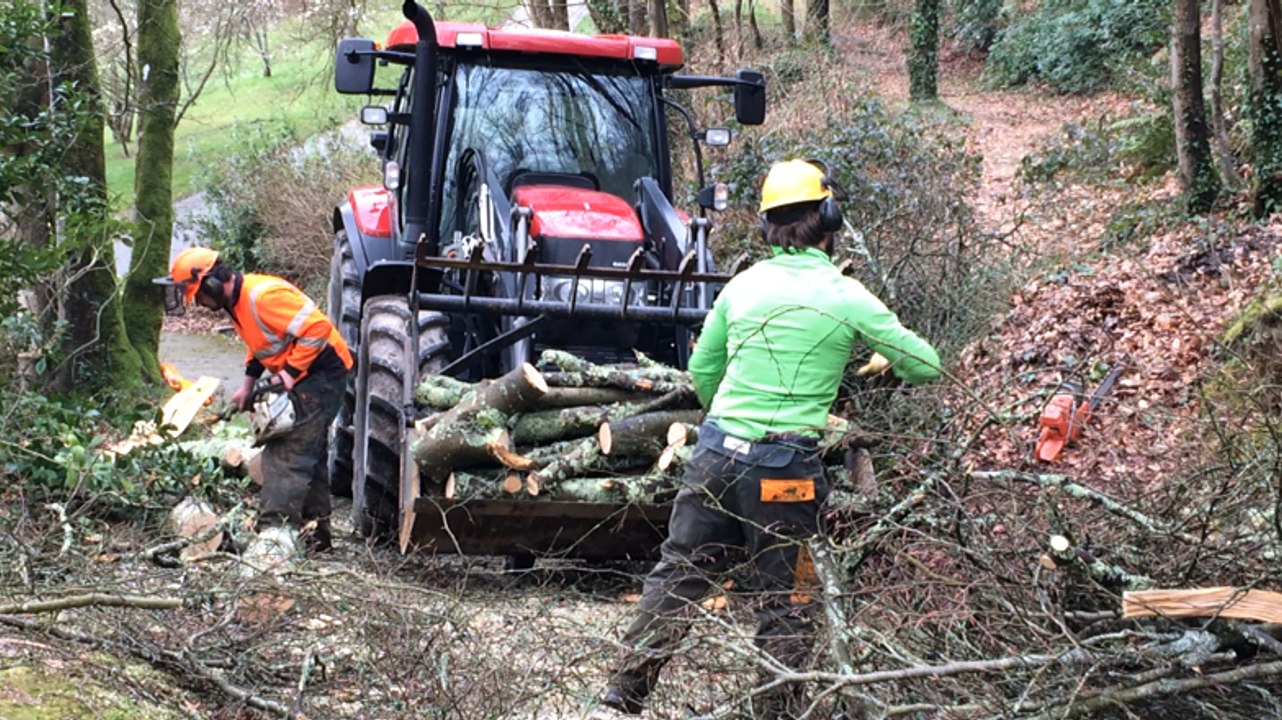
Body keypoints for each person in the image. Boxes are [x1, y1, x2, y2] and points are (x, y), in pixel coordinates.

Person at [599, 159, 941, 718]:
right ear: (829, 217)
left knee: (680, 570)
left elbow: (705, 371)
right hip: (784, 473)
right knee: (787, 597)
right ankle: (776, 708)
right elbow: (928, 364)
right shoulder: (846, 294)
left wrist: (730, 426)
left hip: (713, 454)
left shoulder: (743, 286)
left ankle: (627, 686)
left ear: (766, 227)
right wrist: (888, 357)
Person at [155, 247, 353, 566]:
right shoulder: (238, 305)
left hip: (322, 374)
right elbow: (260, 343)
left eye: (198, 296)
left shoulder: (263, 296)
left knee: (287, 453)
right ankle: (316, 540)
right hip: (306, 374)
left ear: (213, 284)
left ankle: (273, 543)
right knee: (309, 453)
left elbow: (316, 329)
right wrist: (248, 385)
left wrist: (289, 374)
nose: (200, 305)